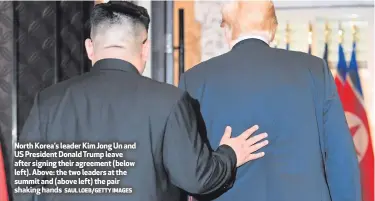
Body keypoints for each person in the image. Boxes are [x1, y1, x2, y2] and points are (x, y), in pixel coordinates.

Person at [13, 2, 269, 201]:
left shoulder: (48, 102)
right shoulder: (170, 101)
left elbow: (26, 186)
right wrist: (230, 154)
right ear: (144, 48)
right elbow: (195, 179)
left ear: (90, 48)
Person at [179, 1, 361, 201]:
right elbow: (341, 161)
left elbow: (186, 168)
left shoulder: (195, 79)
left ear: (226, 29)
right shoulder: (315, 71)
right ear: (273, 29)